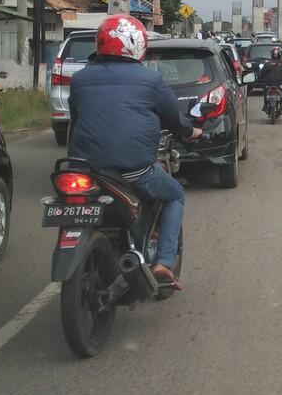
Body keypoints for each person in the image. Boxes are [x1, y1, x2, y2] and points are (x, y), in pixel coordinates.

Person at [67, 14, 200, 289]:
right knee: (174, 194)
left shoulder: (79, 79)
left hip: (86, 170)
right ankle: (164, 262)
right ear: (137, 44)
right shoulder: (150, 80)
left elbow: (77, 118)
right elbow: (174, 119)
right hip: (134, 171)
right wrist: (190, 132)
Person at [257, 45, 282, 112]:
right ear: (280, 55)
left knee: (265, 91)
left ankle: (265, 105)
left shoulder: (267, 64)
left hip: (269, 84)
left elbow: (261, 74)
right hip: (279, 84)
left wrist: (260, 78)